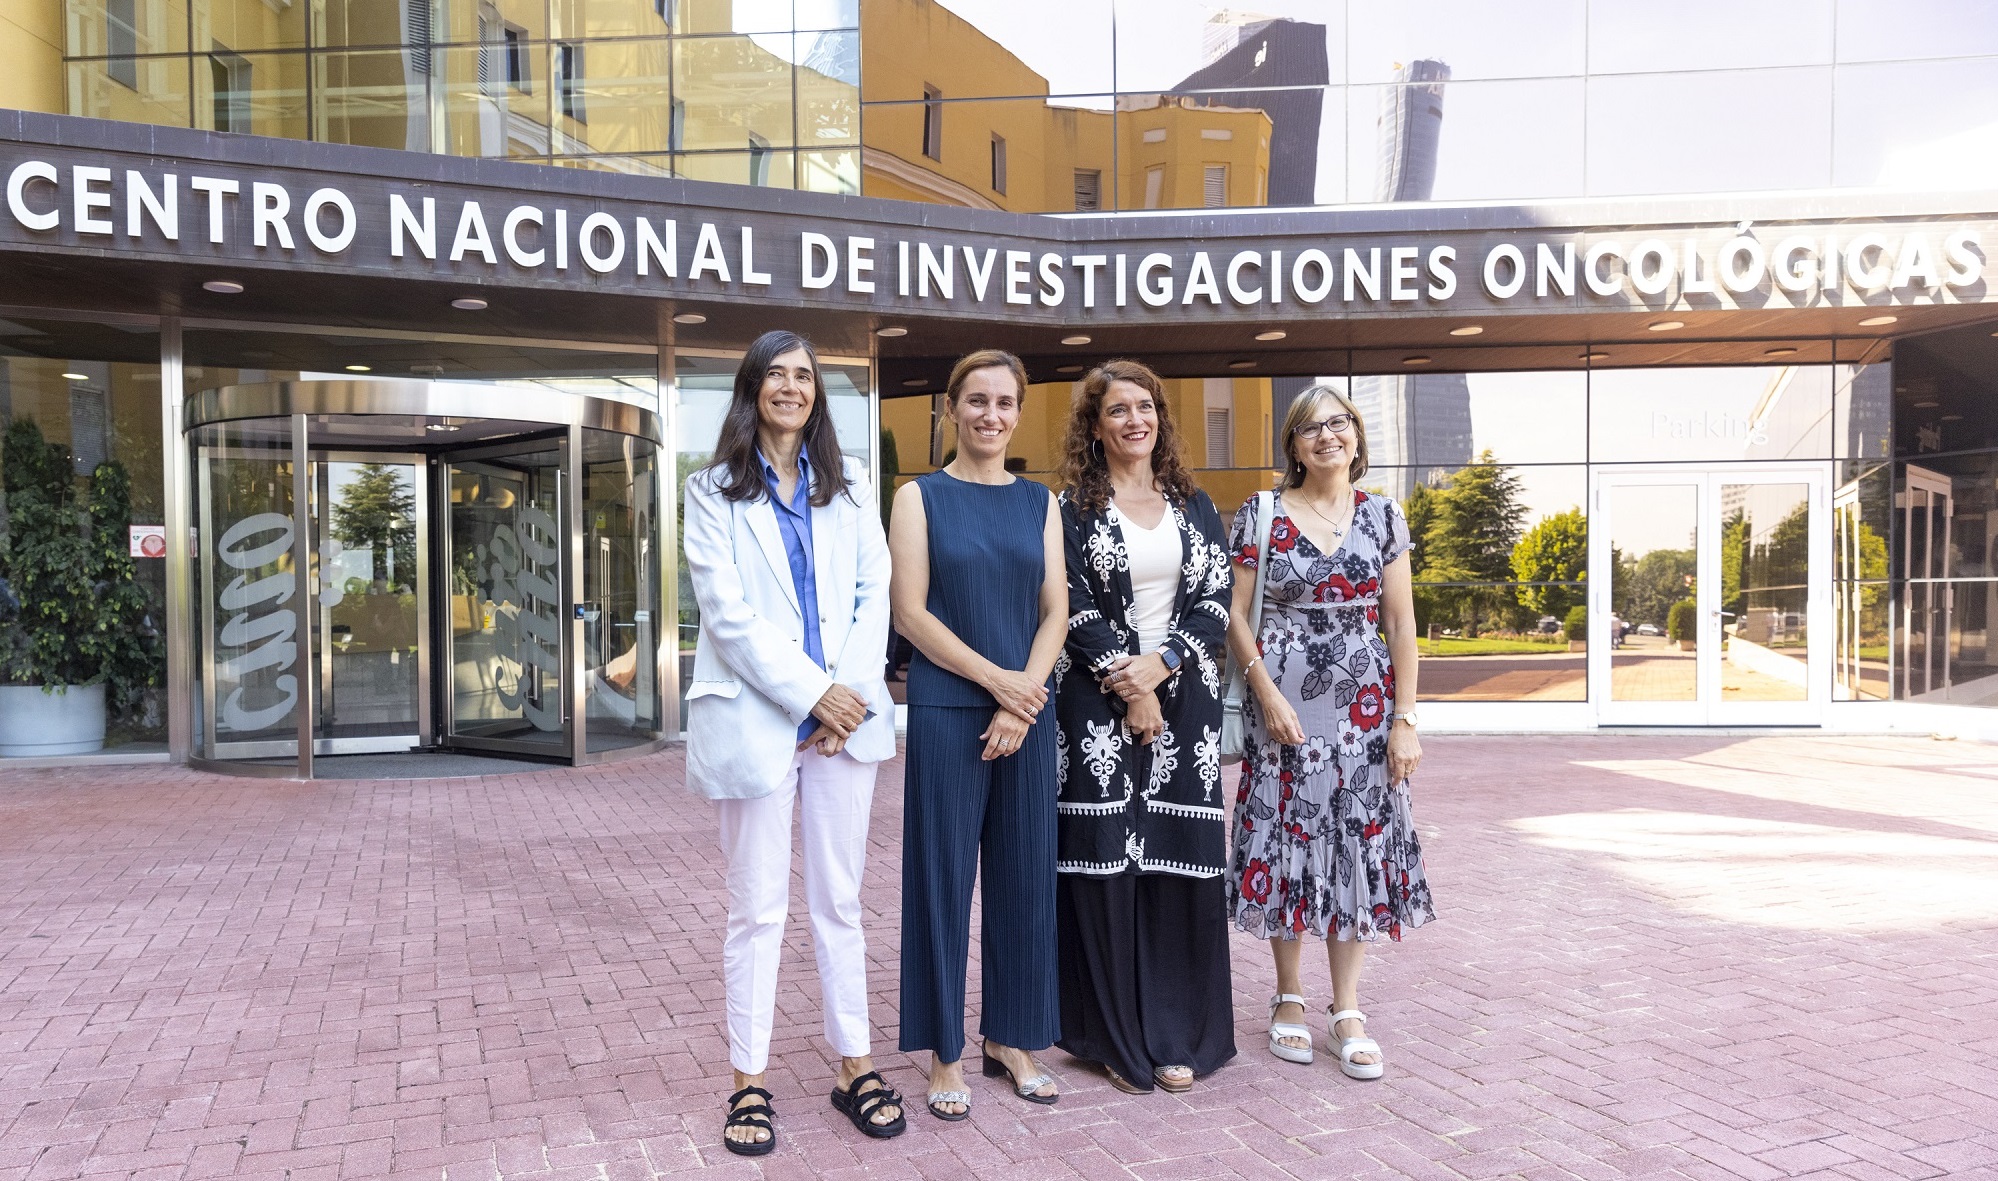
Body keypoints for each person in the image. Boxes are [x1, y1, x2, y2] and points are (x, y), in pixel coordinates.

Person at [682, 330, 905, 1155]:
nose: (790, 387)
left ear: (818, 394)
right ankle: (749, 1080)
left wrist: (842, 699)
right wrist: (814, 693)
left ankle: (855, 1063)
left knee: (840, 902)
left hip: (842, 728)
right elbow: (728, 615)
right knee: (757, 911)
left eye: (803, 376)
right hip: (761, 719)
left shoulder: (848, 493)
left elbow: (870, 593)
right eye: (775, 374)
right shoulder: (710, 492)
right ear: (752, 389)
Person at [1224, 383, 1437, 1081]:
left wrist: (1405, 719)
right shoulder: (1262, 513)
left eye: (1339, 423)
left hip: (1366, 715)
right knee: (1287, 839)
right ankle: (1288, 995)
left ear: (1356, 436)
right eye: (1311, 427)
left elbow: (1402, 625)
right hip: (1281, 712)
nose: (1327, 436)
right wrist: (1264, 692)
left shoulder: (1382, 517)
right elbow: (1235, 615)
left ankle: (1346, 1009)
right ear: (1293, 444)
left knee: (1356, 843)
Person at [889, 349, 1068, 1119]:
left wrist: (1022, 699)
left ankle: (1013, 1038)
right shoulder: (918, 497)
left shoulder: (1041, 502)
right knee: (941, 880)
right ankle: (945, 1051)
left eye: (1004, 402)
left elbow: (1055, 609)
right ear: (950, 410)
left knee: (1026, 876)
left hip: (1026, 716)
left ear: (1018, 413)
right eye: (976, 401)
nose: (990, 415)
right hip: (947, 712)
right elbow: (911, 614)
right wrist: (1000, 684)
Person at [1051, 359, 1237, 1094]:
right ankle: (1112, 1037)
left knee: (1173, 861)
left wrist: (1159, 669)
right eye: (1118, 409)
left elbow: (1217, 601)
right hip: (1095, 706)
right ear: (1094, 426)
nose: (1135, 419)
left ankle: (1177, 1034)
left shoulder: (1195, 504)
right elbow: (1069, 602)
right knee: (1103, 866)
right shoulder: (1069, 507)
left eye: (1146, 407)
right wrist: (1127, 685)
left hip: (1184, 705)